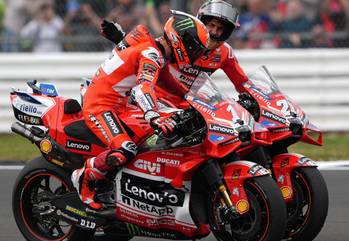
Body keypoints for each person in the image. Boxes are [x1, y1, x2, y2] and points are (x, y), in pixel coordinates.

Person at [71, 11, 209, 210]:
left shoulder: (152, 48)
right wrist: (153, 115)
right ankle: (84, 175)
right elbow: (144, 87)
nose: (196, 54)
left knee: (150, 140)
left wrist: (197, 102)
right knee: (125, 150)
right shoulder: (151, 54)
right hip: (100, 105)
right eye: (194, 48)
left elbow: (171, 86)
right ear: (179, 41)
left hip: (120, 104)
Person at [101, 0, 254, 106]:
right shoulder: (181, 38)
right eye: (211, 25)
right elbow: (148, 50)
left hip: (190, 105)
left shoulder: (225, 52)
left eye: (220, 29)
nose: (214, 32)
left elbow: (243, 83)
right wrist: (121, 40)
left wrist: (255, 100)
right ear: (202, 22)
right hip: (158, 100)